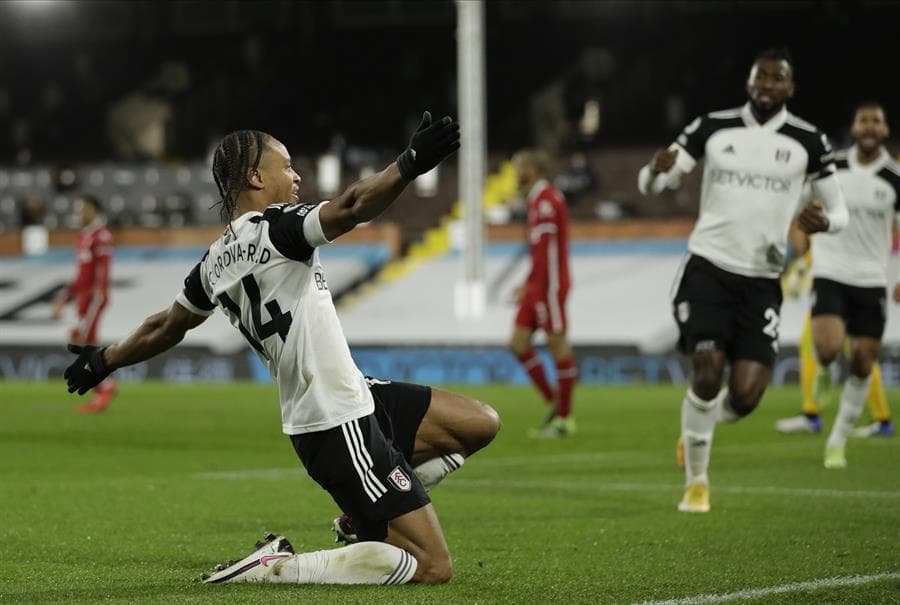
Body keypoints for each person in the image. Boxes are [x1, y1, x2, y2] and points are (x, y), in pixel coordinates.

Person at [64, 113, 502, 586]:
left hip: (355, 396)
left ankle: (364, 517)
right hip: (334, 418)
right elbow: (352, 205)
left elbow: (163, 327)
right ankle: (277, 567)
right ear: (255, 176)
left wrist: (103, 359)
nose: (296, 177)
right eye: (286, 166)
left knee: (480, 423)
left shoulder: (212, 264)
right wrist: (410, 162)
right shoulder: (278, 228)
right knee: (432, 567)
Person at [637, 48, 848, 512]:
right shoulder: (712, 126)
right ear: (749, 82)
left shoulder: (809, 141)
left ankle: (696, 429)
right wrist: (655, 172)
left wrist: (823, 224)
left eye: (777, 79)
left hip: (763, 279)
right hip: (708, 267)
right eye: (760, 77)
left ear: (790, 88)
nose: (767, 85)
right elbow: (655, 183)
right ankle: (697, 483)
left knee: (747, 395)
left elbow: (840, 212)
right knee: (708, 370)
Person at [784, 102, 898, 468]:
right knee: (829, 348)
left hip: (871, 279)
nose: (868, 127)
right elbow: (799, 205)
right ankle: (822, 375)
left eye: (875, 122)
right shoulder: (831, 165)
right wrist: (799, 238)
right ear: (853, 127)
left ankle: (837, 439)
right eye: (863, 120)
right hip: (831, 271)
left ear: (884, 130)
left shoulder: (894, 178)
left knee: (864, 362)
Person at [777, 251, 894, 439]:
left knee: (860, 356)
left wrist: (800, 269)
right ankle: (811, 413)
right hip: (837, 283)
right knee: (810, 343)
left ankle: (882, 419)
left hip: (847, 286)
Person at [508, 149, 578, 438]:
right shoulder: (537, 200)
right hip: (537, 283)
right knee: (518, 343)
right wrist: (528, 282)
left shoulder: (547, 200)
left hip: (548, 285)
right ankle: (555, 402)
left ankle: (564, 419)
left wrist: (542, 286)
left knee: (557, 343)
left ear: (533, 169)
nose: (516, 173)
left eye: (520, 167)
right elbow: (539, 250)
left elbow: (549, 252)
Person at [52, 194, 117, 414]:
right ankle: (103, 388)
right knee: (78, 341)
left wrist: (98, 290)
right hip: (82, 298)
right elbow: (80, 275)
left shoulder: (102, 236)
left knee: (82, 342)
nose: (78, 213)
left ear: (93, 210)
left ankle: (104, 389)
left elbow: (103, 269)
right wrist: (64, 299)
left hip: (93, 298)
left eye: (82, 209)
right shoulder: (84, 236)